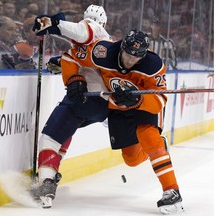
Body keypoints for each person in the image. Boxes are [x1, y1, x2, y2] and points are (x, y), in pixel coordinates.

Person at [59, 29, 184, 214]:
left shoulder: (153, 64)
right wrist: (73, 79)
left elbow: (160, 100)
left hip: (144, 105)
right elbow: (70, 57)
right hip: (118, 108)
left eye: (136, 58)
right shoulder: (102, 52)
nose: (130, 61)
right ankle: (156, 147)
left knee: (148, 135)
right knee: (131, 160)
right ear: (121, 47)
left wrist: (138, 100)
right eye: (128, 55)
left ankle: (171, 191)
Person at [31, 4, 111, 208]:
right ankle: (52, 174)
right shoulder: (104, 44)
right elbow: (81, 56)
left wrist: (54, 24)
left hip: (84, 98)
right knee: (66, 130)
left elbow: (83, 32)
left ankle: (46, 184)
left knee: (50, 137)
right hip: (101, 105)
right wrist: (60, 61)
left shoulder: (95, 30)